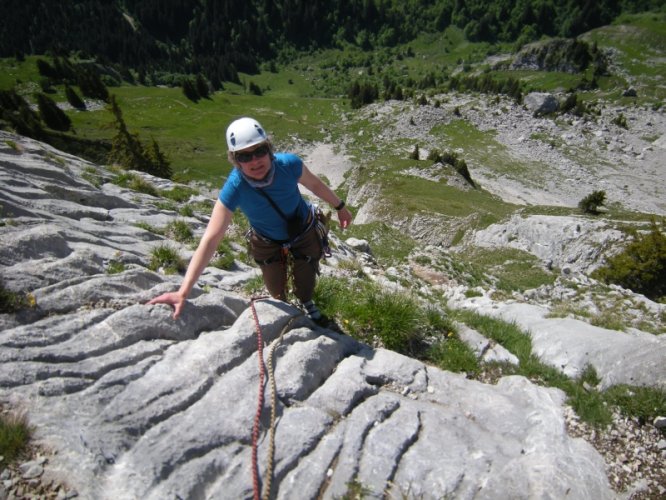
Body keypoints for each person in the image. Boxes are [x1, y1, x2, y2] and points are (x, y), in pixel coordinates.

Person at [148, 116, 353, 321]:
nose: (255, 161)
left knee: (306, 274)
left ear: (269, 149)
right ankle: (284, 305)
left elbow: (315, 185)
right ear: (235, 160)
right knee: (275, 288)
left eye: (259, 151)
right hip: (267, 239)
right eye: (245, 156)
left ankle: (305, 300)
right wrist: (183, 292)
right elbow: (211, 238)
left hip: (303, 228)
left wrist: (340, 207)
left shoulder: (289, 164)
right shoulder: (235, 187)